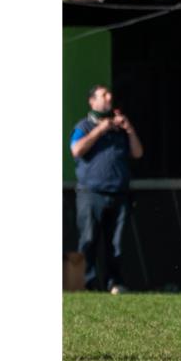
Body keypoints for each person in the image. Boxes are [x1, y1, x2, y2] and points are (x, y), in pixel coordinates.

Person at [70, 85, 144, 294]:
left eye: (110, 94)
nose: (109, 97)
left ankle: (115, 283)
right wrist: (100, 130)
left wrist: (128, 128)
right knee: (89, 239)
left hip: (119, 193)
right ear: (92, 102)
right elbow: (76, 150)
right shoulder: (83, 127)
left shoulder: (119, 129)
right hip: (91, 193)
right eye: (103, 95)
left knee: (116, 243)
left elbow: (137, 153)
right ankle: (87, 283)